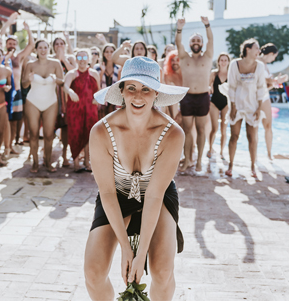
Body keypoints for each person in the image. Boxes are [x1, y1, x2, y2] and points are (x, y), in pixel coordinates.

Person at [84, 56, 187, 300]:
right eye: (131, 88)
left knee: (161, 271)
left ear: (156, 94)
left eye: (146, 89)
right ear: (121, 91)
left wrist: (140, 253)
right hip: (116, 196)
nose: (138, 96)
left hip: (157, 197)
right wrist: (126, 250)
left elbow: (153, 195)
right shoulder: (101, 132)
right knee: (93, 272)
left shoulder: (172, 133)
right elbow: (107, 193)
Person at [174, 17, 214, 174]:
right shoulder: (184, 57)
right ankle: (187, 160)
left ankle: (198, 162)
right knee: (187, 130)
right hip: (188, 97)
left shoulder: (208, 56)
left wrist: (207, 25)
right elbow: (178, 42)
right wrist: (179, 28)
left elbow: (211, 38)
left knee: (201, 129)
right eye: (193, 40)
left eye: (198, 40)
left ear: (202, 43)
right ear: (190, 44)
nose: (196, 42)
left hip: (203, 96)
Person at [226, 39, 268, 179]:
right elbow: (231, 86)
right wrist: (232, 107)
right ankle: (230, 165)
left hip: (253, 106)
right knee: (234, 136)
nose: (259, 51)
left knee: (252, 138)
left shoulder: (260, 66)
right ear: (247, 49)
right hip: (237, 105)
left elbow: (261, 88)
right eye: (256, 48)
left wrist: (259, 108)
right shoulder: (234, 64)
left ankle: (252, 166)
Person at [22, 39, 65, 173]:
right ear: (36, 50)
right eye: (40, 47)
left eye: (45, 47)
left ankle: (47, 162)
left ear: (49, 49)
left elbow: (62, 82)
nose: (43, 50)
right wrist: (28, 80)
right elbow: (23, 85)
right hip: (33, 101)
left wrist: (55, 79)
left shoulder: (56, 63)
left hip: (50, 102)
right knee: (33, 134)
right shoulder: (30, 64)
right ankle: (35, 163)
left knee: (48, 134)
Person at [64, 49, 102, 172]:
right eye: (79, 58)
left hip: (90, 108)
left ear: (89, 59)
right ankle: (76, 162)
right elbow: (65, 86)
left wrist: (97, 98)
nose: (82, 60)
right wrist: (70, 91)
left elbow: (98, 89)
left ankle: (87, 161)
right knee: (75, 133)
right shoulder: (71, 74)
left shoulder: (94, 73)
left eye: (84, 57)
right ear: (76, 60)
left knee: (89, 134)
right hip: (75, 109)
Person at [257, 43, 287, 160]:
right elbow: (259, 79)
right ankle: (254, 152)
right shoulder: (257, 62)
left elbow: (267, 85)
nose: (274, 59)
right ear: (270, 54)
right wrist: (275, 80)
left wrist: (275, 82)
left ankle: (269, 153)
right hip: (255, 96)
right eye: (274, 56)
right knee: (254, 126)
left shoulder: (265, 65)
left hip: (264, 96)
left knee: (268, 125)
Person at [52, 36, 77, 168]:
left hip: (66, 97)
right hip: (53, 96)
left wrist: (63, 59)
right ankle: (47, 154)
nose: (60, 46)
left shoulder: (70, 58)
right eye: (57, 44)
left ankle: (65, 154)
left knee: (66, 126)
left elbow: (75, 71)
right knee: (51, 125)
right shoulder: (50, 58)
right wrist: (57, 59)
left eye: (62, 43)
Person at [208, 53, 231, 160]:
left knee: (223, 130)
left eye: (225, 60)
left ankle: (222, 152)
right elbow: (207, 86)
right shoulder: (213, 74)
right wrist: (209, 88)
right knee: (214, 128)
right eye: (221, 60)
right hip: (214, 103)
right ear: (218, 62)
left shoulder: (231, 74)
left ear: (228, 62)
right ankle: (210, 149)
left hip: (226, 103)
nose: (223, 62)